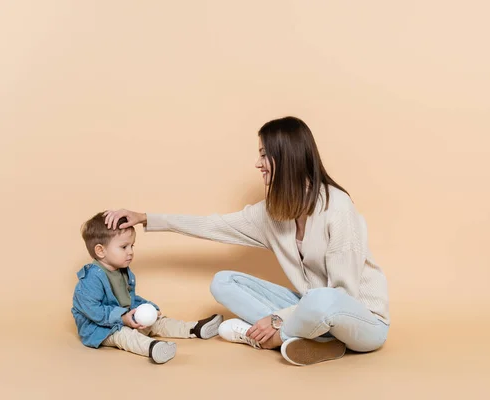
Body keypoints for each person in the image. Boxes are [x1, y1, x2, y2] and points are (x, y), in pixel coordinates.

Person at [104, 116, 390, 366]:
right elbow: (212, 225)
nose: (257, 164)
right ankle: (316, 340)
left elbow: (342, 295)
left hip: (364, 322)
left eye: (264, 155)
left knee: (322, 298)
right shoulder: (272, 213)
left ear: (286, 157)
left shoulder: (337, 208)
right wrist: (146, 218)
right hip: (311, 310)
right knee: (223, 281)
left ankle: (277, 337)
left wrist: (278, 319)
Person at [71, 212, 223, 364]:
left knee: (156, 321)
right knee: (124, 335)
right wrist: (122, 318)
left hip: (125, 319)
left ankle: (193, 329)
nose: (130, 252)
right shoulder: (91, 278)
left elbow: (130, 298)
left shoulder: (123, 271)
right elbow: (93, 310)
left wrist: (149, 308)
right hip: (100, 329)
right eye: (124, 247)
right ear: (100, 251)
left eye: (132, 246)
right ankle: (152, 347)